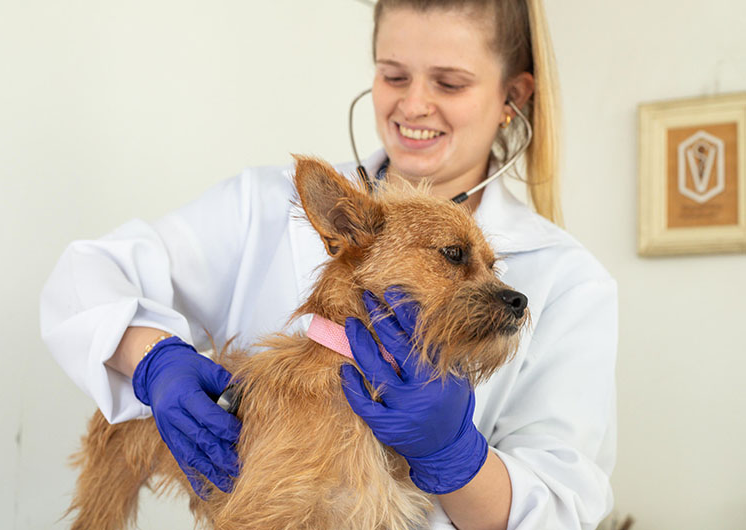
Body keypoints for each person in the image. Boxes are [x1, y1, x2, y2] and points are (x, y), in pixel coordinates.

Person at [40, 1, 618, 529]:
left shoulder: (569, 279)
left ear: (513, 97)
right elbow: (87, 274)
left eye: (450, 82)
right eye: (394, 75)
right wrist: (155, 359)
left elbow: (563, 509)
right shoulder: (264, 204)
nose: (414, 104)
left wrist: (455, 456)